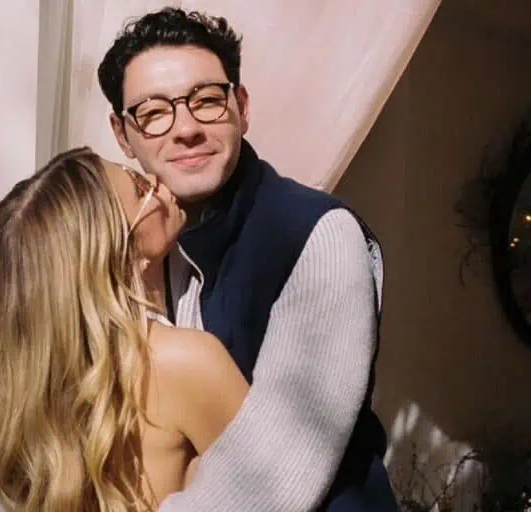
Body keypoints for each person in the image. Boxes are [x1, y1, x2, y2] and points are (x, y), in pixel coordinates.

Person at [97, 7, 398, 511]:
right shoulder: (143, 237)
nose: (186, 128)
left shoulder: (316, 235)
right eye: (153, 112)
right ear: (122, 134)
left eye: (207, 101)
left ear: (241, 107)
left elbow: (272, 480)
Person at [0, 147, 249, 511]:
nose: (155, 181)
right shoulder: (181, 360)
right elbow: (282, 488)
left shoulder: (43, 393)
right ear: (121, 251)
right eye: (139, 188)